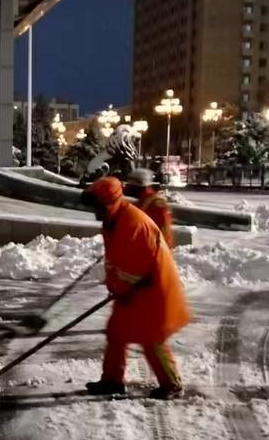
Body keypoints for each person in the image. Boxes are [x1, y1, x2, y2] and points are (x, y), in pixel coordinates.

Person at [79, 176, 191, 399]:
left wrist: (120, 287)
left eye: (97, 207)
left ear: (108, 204)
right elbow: (117, 260)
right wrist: (114, 285)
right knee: (116, 332)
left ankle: (172, 385)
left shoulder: (133, 223)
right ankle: (112, 381)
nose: (95, 213)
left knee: (152, 338)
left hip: (152, 288)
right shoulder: (113, 221)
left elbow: (136, 267)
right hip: (131, 290)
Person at [125, 167, 175, 247]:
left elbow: (160, 232)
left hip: (155, 251)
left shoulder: (156, 204)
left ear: (138, 186)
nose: (127, 188)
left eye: (130, 185)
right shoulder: (142, 202)